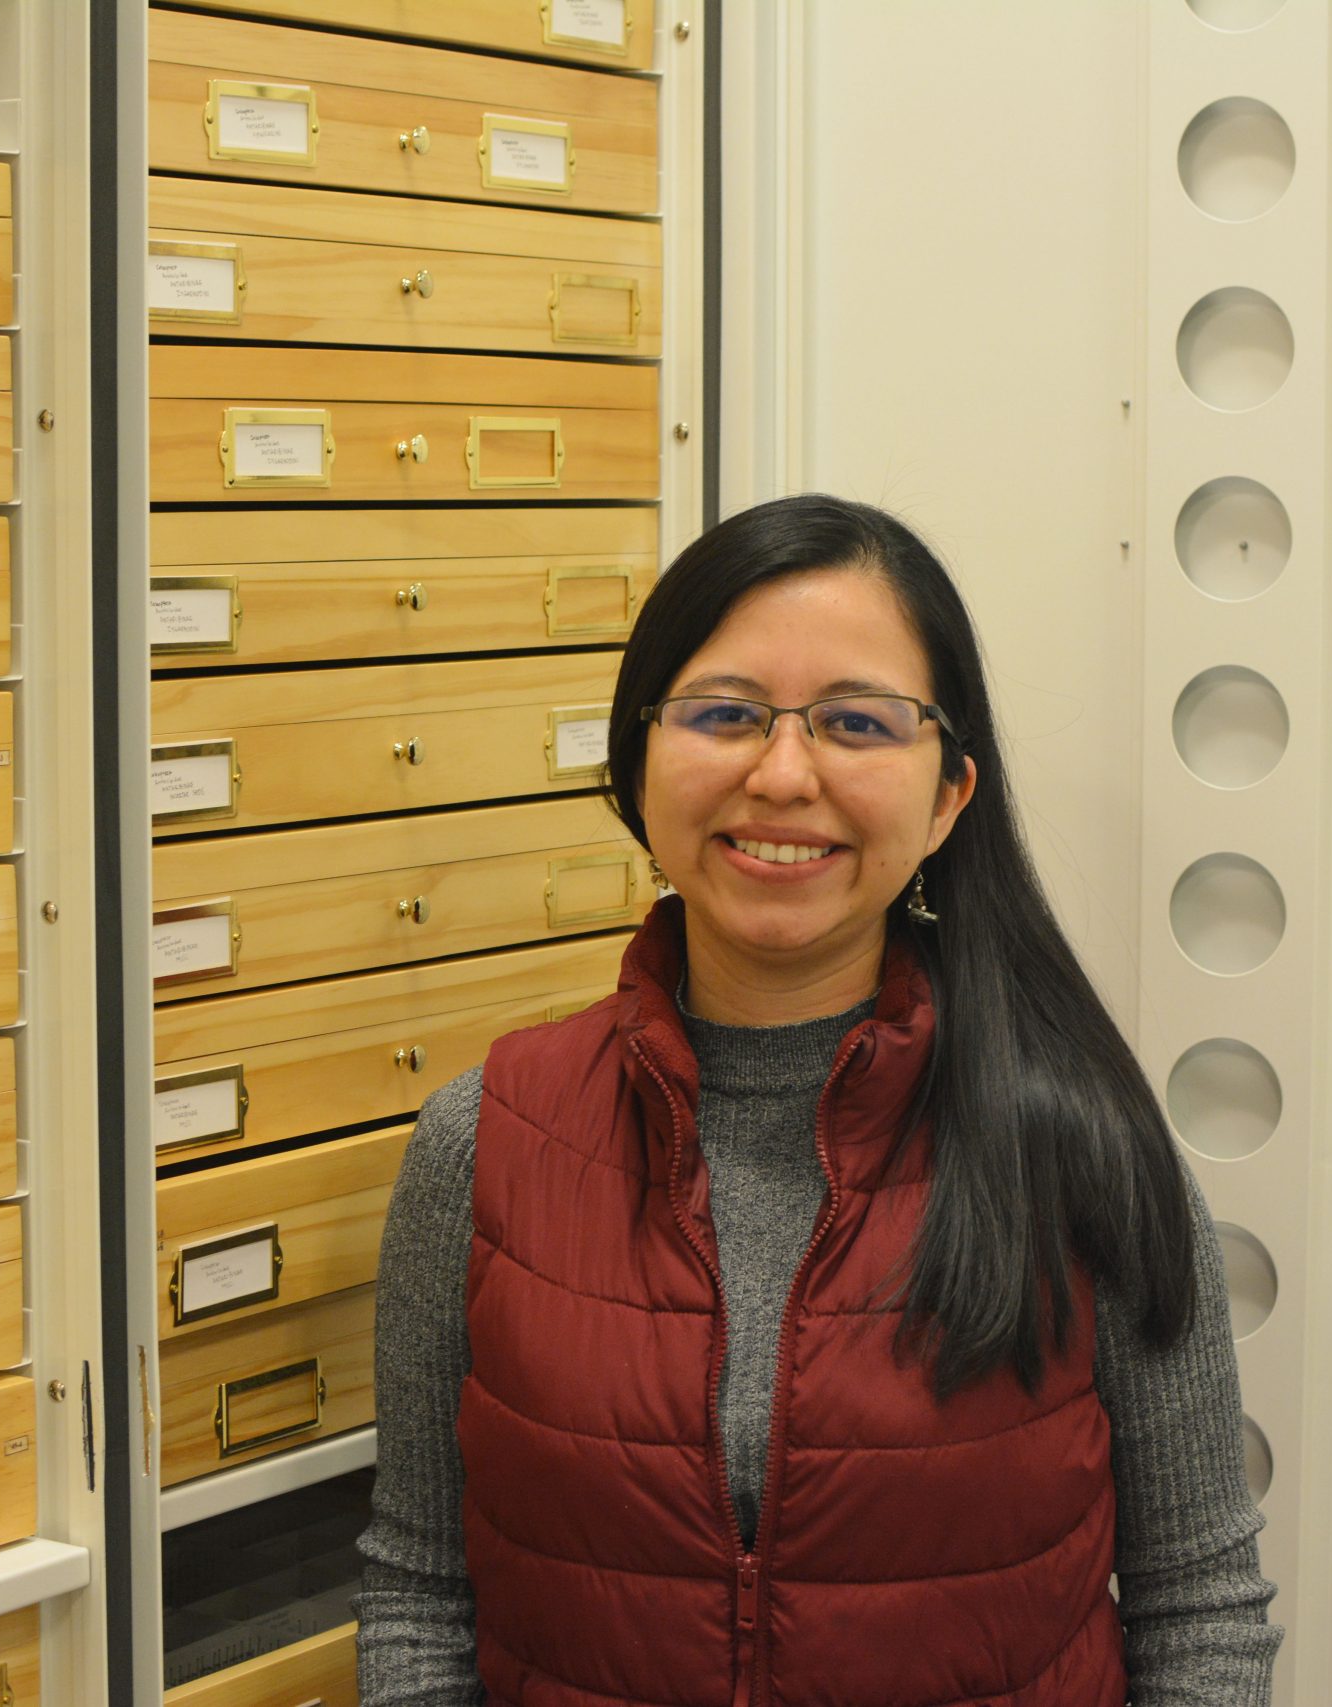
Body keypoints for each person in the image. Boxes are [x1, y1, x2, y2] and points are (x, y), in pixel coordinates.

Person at [356, 494, 1280, 1706]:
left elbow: (1200, 1608)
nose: (782, 775)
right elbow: (421, 1589)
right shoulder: (486, 1141)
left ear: (950, 792)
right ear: (633, 767)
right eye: (724, 714)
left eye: (855, 723)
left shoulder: (1082, 1147)